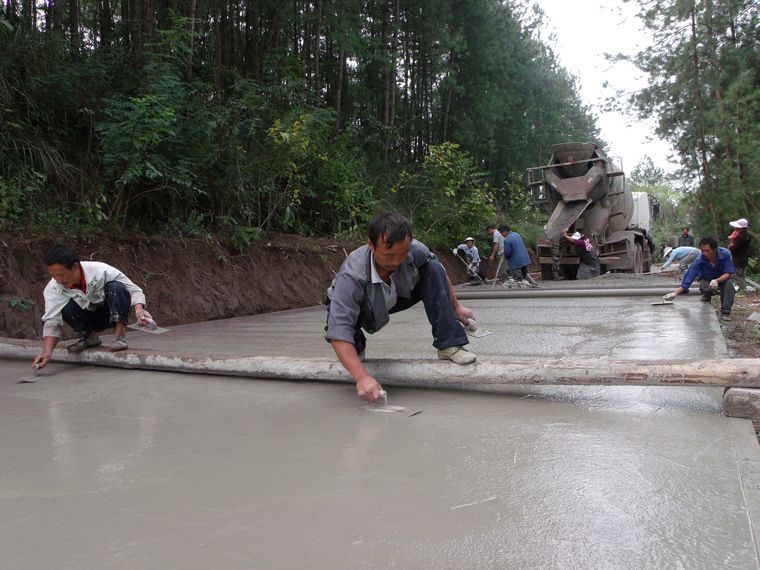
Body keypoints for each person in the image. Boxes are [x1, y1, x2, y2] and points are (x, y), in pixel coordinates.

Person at [325, 212, 476, 402]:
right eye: (388, 255)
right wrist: (361, 377)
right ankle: (358, 346)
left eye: (402, 254)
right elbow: (339, 329)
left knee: (433, 267)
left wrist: (456, 307)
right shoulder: (352, 275)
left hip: (396, 294)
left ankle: (449, 344)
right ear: (371, 245)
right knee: (353, 353)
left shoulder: (415, 249)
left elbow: (438, 273)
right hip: (365, 306)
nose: (396, 262)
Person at [33, 246, 153, 369]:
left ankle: (119, 336)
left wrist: (139, 309)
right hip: (88, 316)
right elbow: (52, 321)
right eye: (54, 276)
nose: (58, 280)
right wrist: (47, 352)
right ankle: (89, 337)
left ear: (75, 267)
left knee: (116, 287)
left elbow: (134, 290)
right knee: (64, 306)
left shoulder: (102, 270)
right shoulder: (53, 288)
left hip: (110, 312)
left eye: (61, 275)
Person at [663, 237, 735, 319]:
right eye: (703, 251)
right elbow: (689, 277)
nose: (705, 253)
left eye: (708, 251)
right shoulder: (700, 260)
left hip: (723, 278)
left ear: (715, 249)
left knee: (729, 287)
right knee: (704, 288)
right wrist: (675, 293)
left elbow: (729, 273)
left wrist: (717, 280)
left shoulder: (725, 254)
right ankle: (707, 295)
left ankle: (725, 311)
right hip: (707, 279)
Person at [728, 217, 751, 292]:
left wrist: (730, 244)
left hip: (738, 259)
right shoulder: (746, 235)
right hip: (743, 258)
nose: (735, 228)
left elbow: (733, 248)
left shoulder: (741, 237)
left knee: (738, 275)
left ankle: (743, 290)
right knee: (742, 275)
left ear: (741, 228)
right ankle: (744, 289)